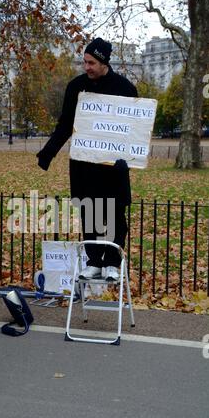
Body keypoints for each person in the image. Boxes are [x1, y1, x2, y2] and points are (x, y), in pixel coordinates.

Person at [37, 38, 138, 281]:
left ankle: (112, 263)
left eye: (91, 62)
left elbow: (135, 128)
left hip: (114, 165)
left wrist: (130, 157)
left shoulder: (125, 88)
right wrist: (48, 152)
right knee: (90, 212)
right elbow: (65, 124)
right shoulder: (76, 87)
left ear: (104, 61)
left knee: (114, 215)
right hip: (84, 164)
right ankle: (93, 261)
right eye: (85, 62)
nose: (87, 67)